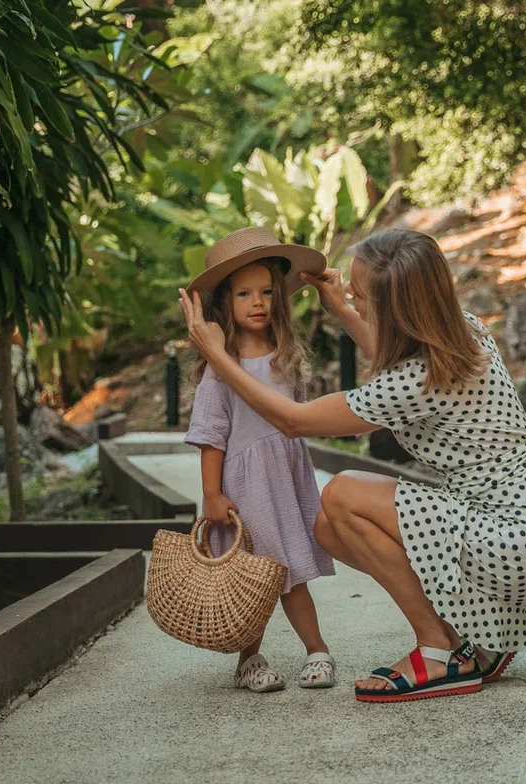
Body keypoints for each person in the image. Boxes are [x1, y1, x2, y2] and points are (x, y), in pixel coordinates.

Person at [180, 228, 526, 703]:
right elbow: (392, 360)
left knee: (342, 492)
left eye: (359, 296)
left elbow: (293, 421)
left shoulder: (414, 380)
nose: (353, 300)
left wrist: (216, 354)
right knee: (327, 528)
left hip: (506, 540)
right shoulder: (462, 331)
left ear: (394, 308)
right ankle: (478, 633)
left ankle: (438, 649)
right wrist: (341, 309)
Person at [182, 227, 336, 694]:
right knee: (254, 578)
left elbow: (299, 419)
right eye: (244, 293)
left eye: (267, 292)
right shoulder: (219, 366)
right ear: (223, 304)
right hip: (246, 491)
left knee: (290, 572)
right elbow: (212, 436)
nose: (258, 302)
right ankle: (250, 659)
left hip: (285, 483)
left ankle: (318, 651)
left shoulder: (285, 356)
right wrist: (211, 493)